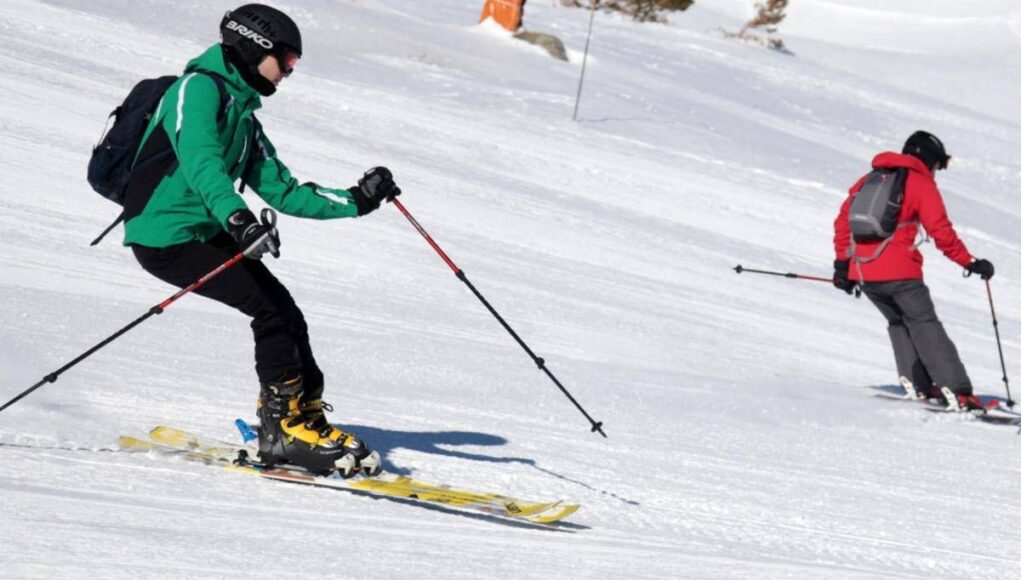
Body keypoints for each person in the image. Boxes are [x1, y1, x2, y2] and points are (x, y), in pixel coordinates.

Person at [123, 4, 399, 476]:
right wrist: (239, 220)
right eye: (287, 58)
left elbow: (284, 190)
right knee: (269, 312)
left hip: (206, 231)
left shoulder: (244, 117)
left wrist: (358, 199)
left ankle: (304, 418)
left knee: (285, 311)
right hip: (164, 236)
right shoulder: (195, 90)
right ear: (255, 47)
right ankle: (281, 432)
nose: (291, 70)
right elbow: (202, 162)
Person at [832, 131, 994, 412]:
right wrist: (969, 262)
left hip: (865, 275)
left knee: (899, 323)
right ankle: (958, 392)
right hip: (901, 275)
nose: (936, 172)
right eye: (936, 166)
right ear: (927, 160)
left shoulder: (868, 180)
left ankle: (917, 383)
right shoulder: (919, 183)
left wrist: (842, 266)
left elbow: (843, 222)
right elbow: (941, 232)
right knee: (924, 324)